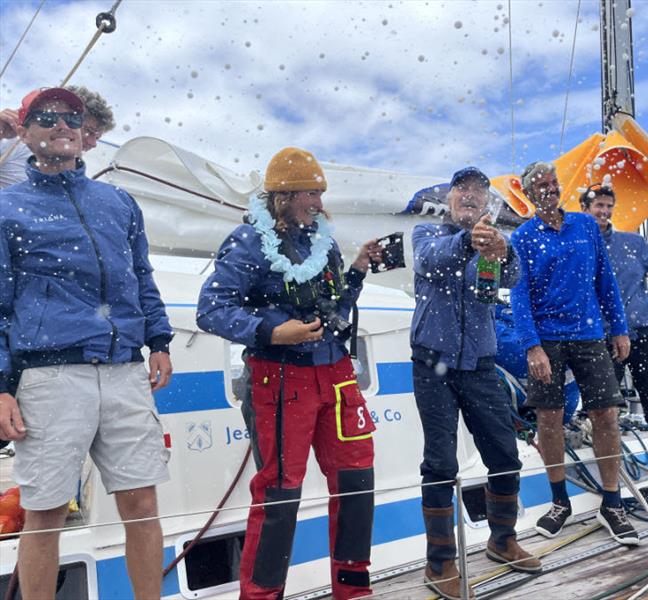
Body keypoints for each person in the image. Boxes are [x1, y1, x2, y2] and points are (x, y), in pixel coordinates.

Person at [0, 87, 173, 599]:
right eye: (46, 117)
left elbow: (141, 276)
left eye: (71, 117)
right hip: (50, 377)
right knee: (46, 513)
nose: (62, 125)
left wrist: (159, 338)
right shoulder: (6, 207)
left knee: (142, 505)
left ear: (85, 132)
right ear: (25, 133)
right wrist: (2, 386)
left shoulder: (118, 202)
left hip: (124, 370)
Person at [196, 147, 384, 600]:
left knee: (357, 483)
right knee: (280, 496)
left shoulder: (323, 242)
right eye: (309, 193)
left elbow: (336, 313)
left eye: (320, 193)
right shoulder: (248, 241)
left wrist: (356, 271)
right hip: (280, 380)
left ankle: (353, 591)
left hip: (337, 374)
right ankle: (260, 597)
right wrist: (273, 331)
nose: (318, 203)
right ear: (282, 195)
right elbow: (210, 309)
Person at [411, 167, 541, 600]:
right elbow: (432, 262)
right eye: (462, 189)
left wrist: (505, 251)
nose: (470, 196)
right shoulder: (426, 233)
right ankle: (440, 562)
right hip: (434, 367)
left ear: (487, 204)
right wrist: (469, 241)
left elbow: (512, 279)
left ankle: (501, 540)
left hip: (481, 368)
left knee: (504, 454)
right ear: (450, 198)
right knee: (440, 463)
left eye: (478, 192)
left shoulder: (492, 243)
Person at [510, 161, 640, 546]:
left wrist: (618, 327)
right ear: (529, 193)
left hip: (588, 333)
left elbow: (605, 279)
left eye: (552, 183)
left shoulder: (585, 226)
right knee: (550, 419)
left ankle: (612, 503)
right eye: (540, 185)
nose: (548, 189)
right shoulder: (522, 237)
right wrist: (532, 346)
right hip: (547, 338)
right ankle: (559, 502)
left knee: (606, 414)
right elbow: (519, 297)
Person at [580, 183, 648, 522]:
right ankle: (612, 496)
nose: (604, 211)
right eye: (598, 205)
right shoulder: (579, 247)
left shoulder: (633, 244)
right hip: (600, 341)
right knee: (603, 416)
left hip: (641, 335)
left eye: (609, 205)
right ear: (585, 208)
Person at [0, 85, 115, 188]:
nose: (93, 143)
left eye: (97, 137)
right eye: (89, 131)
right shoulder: (14, 143)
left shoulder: (77, 173)